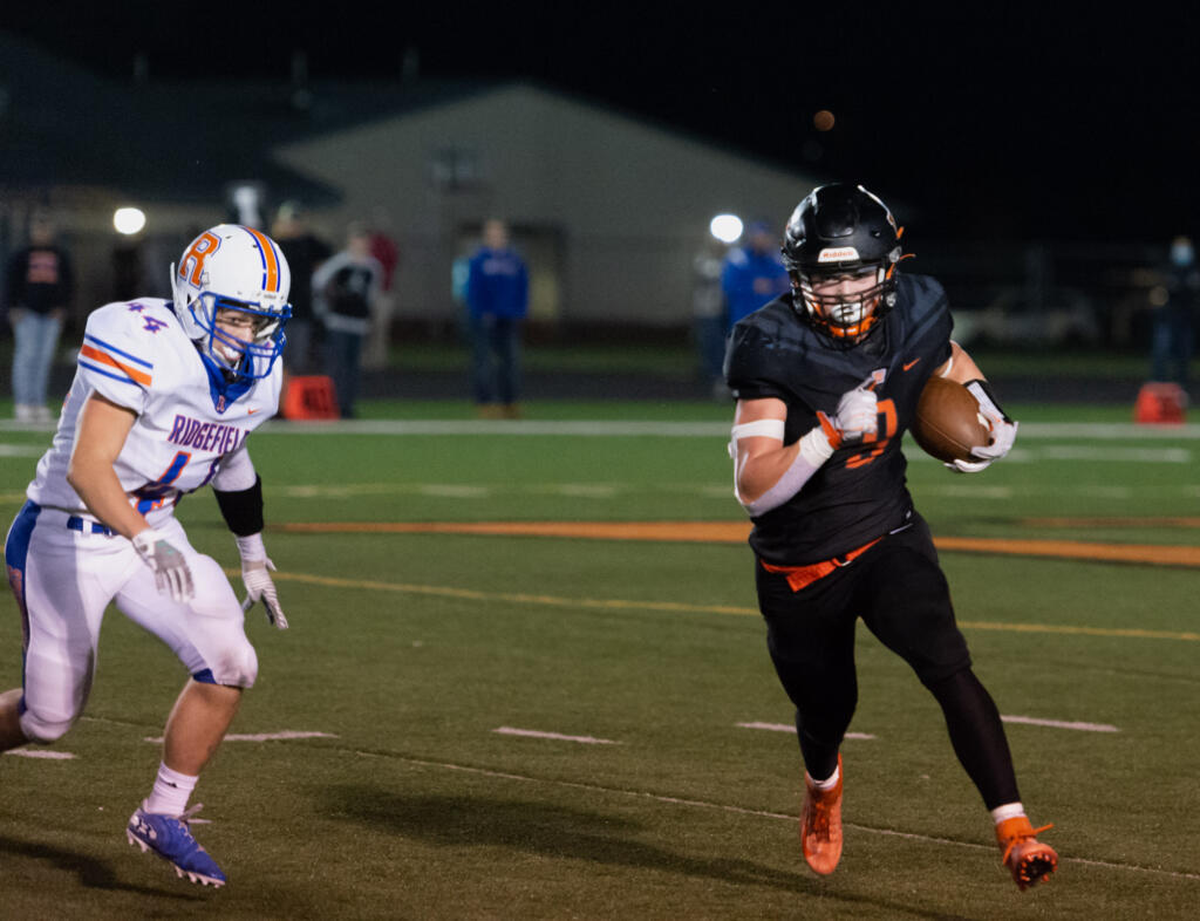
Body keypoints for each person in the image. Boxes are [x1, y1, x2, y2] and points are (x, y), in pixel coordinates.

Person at [724, 184, 1057, 891]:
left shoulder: (916, 307)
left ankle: (1015, 827)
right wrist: (825, 437)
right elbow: (755, 489)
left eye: (856, 272)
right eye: (826, 274)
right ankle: (822, 784)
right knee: (826, 710)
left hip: (886, 531)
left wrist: (987, 411)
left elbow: (946, 358)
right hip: (801, 565)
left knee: (947, 663)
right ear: (799, 275)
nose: (843, 290)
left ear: (890, 269)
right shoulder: (770, 341)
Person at [1, 224, 293, 888]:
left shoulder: (257, 375)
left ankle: (163, 812)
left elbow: (231, 454)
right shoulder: (141, 340)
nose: (252, 336)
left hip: (152, 532)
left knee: (231, 661)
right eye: (239, 316)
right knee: (48, 718)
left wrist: (253, 553)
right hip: (66, 533)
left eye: (264, 321)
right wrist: (144, 536)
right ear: (193, 300)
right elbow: (88, 467)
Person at [6, 212, 74, 422]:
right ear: (32, 230)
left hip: (51, 315)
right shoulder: (22, 254)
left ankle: (37, 402)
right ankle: (23, 403)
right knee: (26, 357)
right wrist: (12, 307)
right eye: (39, 228)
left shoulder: (60, 255)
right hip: (27, 313)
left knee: (43, 359)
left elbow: (69, 283)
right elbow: (11, 281)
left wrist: (62, 307)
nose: (42, 233)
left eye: (45, 228)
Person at [312, 223, 383, 418]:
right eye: (357, 241)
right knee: (337, 366)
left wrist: (368, 316)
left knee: (353, 367)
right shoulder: (340, 263)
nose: (361, 245)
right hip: (338, 322)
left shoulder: (373, 266)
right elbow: (318, 282)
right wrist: (325, 310)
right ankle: (332, 405)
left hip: (358, 325)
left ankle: (347, 405)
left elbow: (372, 294)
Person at [465, 219, 529, 418]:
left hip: (508, 317)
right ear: (486, 237)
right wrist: (480, 311)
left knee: (510, 361)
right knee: (484, 362)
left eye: (499, 233)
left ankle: (509, 402)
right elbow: (473, 290)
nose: (496, 237)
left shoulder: (514, 260)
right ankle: (485, 402)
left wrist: (519, 310)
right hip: (485, 318)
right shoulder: (479, 260)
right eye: (492, 233)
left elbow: (523, 287)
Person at [271, 201, 332, 374]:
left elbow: (326, 253)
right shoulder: (275, 244)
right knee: (276, 359)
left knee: (298, 361)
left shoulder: (307, 243)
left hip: (302, 310)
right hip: (278, 310)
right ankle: (279, 399)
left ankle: (291, 400)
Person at [1150, 235, 1199, 393]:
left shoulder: (1194, 269)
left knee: (1184, 355)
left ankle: (1181, 389)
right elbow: (1159, 292)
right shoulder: (1167, 268)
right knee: (1162, 352)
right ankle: (1158, 386)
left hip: (1186, 320)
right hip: (1167, 319)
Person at [720, 219, 790, 329]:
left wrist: (774, 285)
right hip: (745, 322)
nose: (761, 240)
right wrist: (751, 286)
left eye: (764, 236)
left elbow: (788, 284)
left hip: (774, 323)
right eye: (758, 236)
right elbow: (728, 287)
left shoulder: (778, 259)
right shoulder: (738, 259)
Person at [691, 237, 728, 399]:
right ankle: (709, 378)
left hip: (724, 310)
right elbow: (709, 272)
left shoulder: (733, 260)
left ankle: (721, 379)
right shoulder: (704, 260)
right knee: (708, 344)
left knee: (724, 345)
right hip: (707, 311)